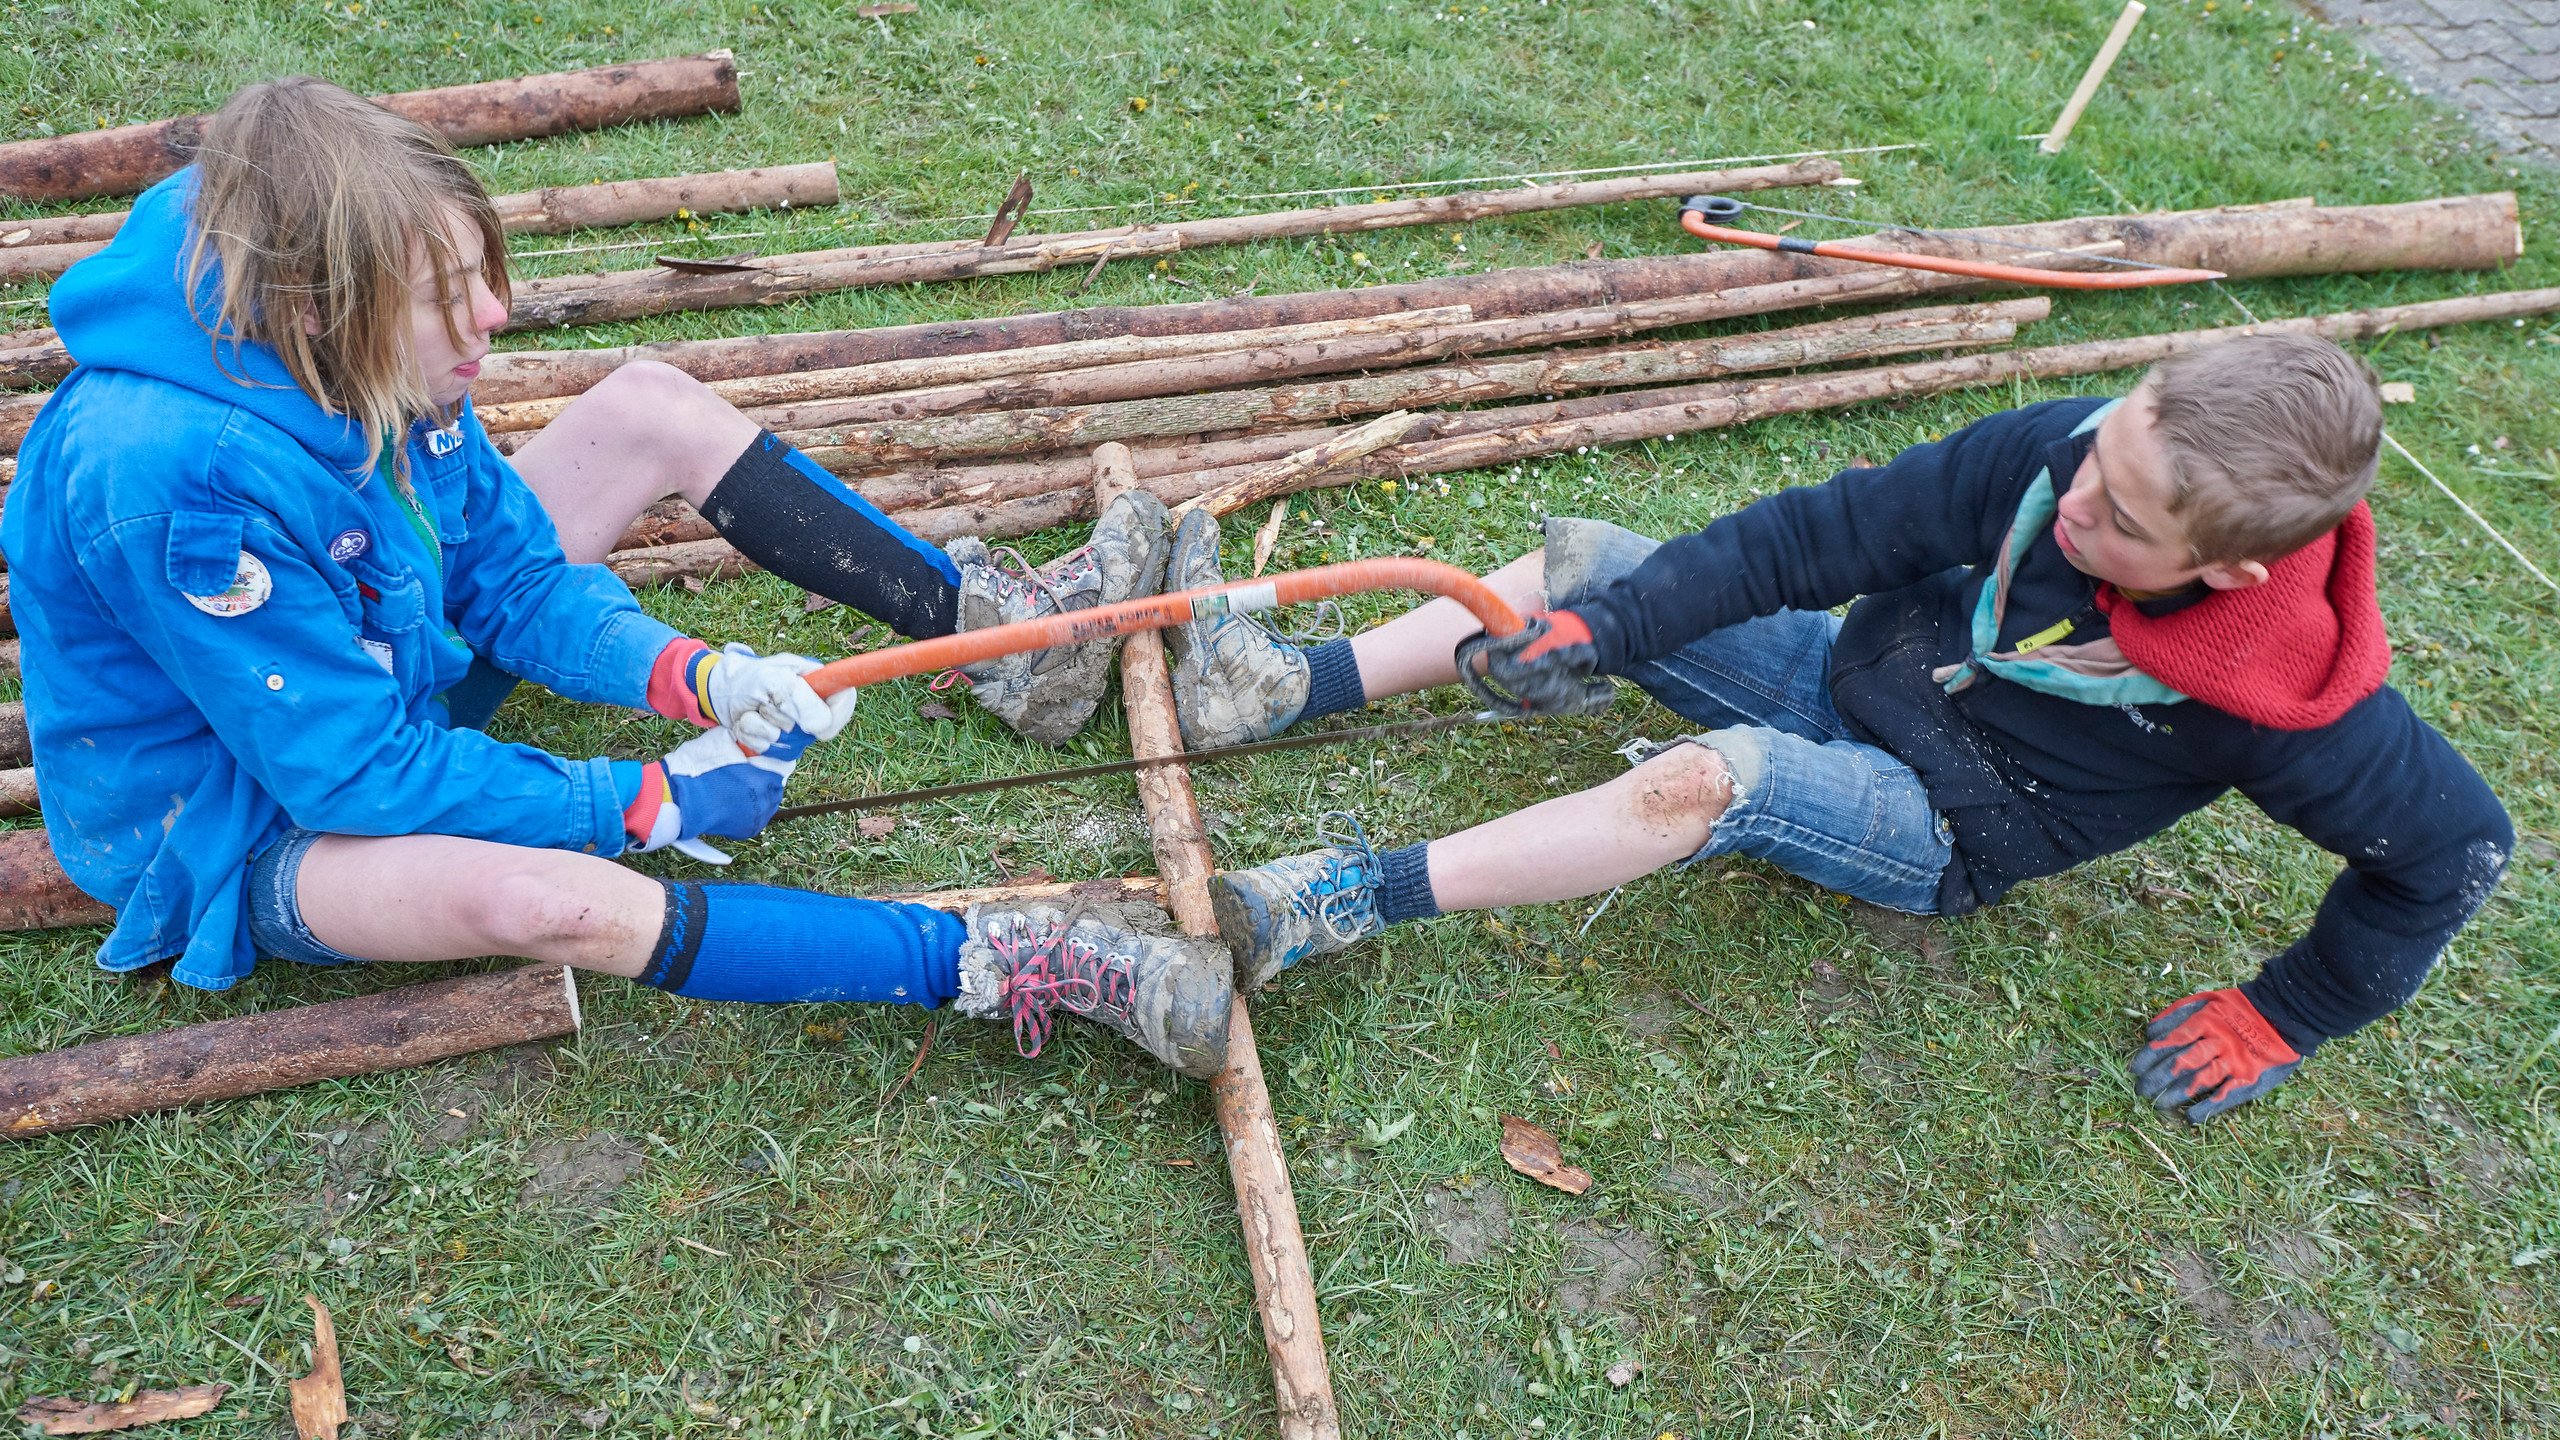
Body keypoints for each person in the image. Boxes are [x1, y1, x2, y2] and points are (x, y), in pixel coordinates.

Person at [1, 77, 1232, 1078]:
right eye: (447, 298)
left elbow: (510, 577)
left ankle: (1012, 647)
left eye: (482, 270)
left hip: (379, 664)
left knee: (647, 405)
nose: (493, 316)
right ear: (316, 309)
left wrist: (696, 674)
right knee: (551, 905)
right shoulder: (170, 477)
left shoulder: (357, 313)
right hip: (248, 815)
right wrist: (644, 807)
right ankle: (999, 957)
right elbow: (353, 775)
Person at [1175, 335, 2513, 1122]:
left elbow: (2453, 849)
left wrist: (2293, 1013)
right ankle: (1295, 686)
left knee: (1722, 779)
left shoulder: (2292, 702)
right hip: (1852, 673)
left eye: (2121, 516)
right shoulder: (2076, 454)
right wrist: (1611, 635)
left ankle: (1350, 898)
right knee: (1593, 566)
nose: (2076, 501)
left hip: (1951, 823)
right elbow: (1833, 533)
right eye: (2102, 456)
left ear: (2222, 572)